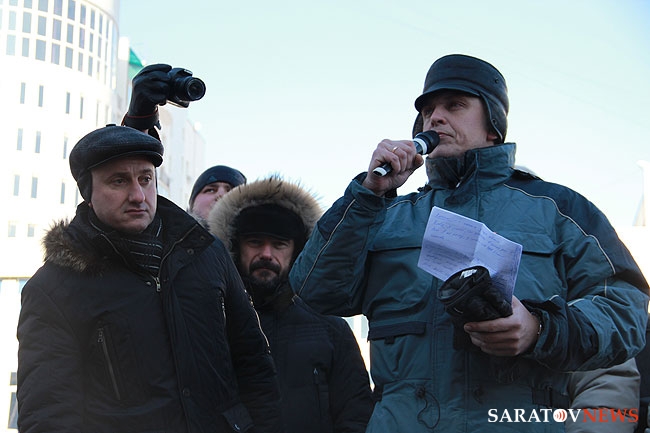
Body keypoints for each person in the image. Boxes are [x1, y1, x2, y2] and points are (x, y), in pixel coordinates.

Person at [289, 54, 650, 432]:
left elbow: (625, 309)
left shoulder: (560, 210)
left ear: (493, 124)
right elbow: (314, 290)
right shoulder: (384, 215)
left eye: (455, 105)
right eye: (427, 111)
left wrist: (540, 330)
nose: (435, 118)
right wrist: (367, 194)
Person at [16, 125, 284, 433]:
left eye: (145, 179)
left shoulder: (207, 253)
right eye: (119, 181)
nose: (138, 195)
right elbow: (48, 413)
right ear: (88, 193)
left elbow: (254, 365)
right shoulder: (54, 288)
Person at [208, 175, 375, 433]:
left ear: (297, 250)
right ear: (235, 246)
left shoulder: (330, 328)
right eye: (255, 242)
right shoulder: (212, 324)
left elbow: (356, 415)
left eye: (279, 244)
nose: (266, 254)